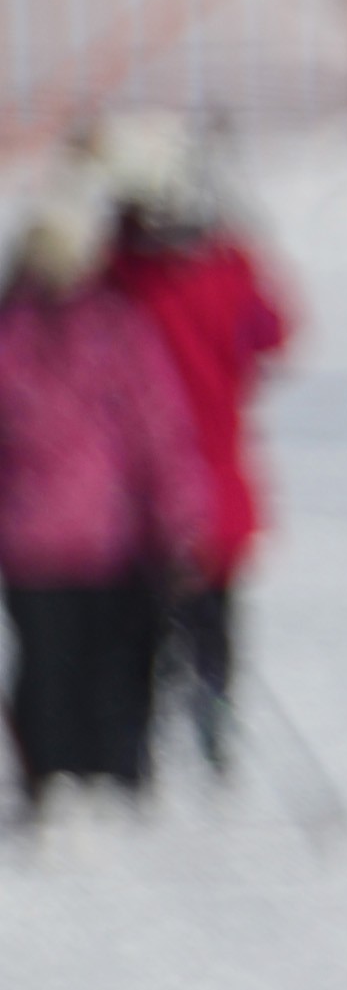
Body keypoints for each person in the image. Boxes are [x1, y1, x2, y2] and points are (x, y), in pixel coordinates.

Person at [0, 187, 214, 824]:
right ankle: (65, 779)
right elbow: (162, 430)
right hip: (54, 535)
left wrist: (181, 516)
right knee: (60, 665)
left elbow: (160, 431)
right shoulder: (34, 332)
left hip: (95, 535)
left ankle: (93, 776)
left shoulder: (111, 328)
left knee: (91, 662)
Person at [92, 115, 290, 779]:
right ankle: (213, 729)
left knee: (140, 624)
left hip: (138, 482)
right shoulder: (226, 271)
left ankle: (139, 743)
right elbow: (276, 332)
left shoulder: (126, 275)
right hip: (215, 476)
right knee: (213, 621)